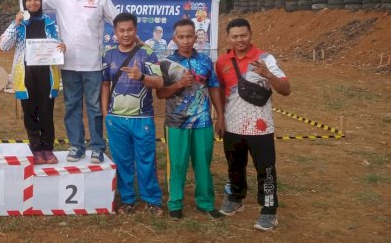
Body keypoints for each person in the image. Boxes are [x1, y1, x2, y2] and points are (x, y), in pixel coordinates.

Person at [22, 0, 118, 163]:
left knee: (94, 107)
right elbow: (33, 2)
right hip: (67, 64)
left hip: (93, 64)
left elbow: (118, 20)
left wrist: (133, 39)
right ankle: (76, 146)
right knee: (72, 106)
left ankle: (97, 147)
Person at [215, 17, 291, 231]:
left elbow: (286, 89)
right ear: (228, 38)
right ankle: (236, 198)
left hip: (261, 127)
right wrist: (219, 117)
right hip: (232, 125)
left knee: (265, 170)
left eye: (244, 35)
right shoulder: (222, 62)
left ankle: (269, 210)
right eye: (235, 36)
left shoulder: (265, 58)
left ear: (251, 35)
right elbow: (219, 90)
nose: (239, 40)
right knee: (235, 166)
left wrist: (267, 74)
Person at [157, 18, 225, 221]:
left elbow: (213, 87)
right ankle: (175, 203)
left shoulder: (205, 61)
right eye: (181, 37)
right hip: (176, 123)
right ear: (174, 39)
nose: (186, 40)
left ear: (196, 37)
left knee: (203, 163)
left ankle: (205, 203)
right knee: (177, 164)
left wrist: (220, 116)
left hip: (203, 122)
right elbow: (160, 94)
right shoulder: (166, 64)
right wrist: (179, 85)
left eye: (189, 36)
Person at [100, 13, 164, 216]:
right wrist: (105, 113)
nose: (126, 34)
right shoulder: (108, 54)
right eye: (121, 30)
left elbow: (159, 83)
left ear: (135, 30)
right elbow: (104, 84)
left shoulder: (147, 53)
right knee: (122, 160)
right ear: (115, 33)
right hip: (116, 119)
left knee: (146, 159)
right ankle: (127, 199)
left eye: (129, 30)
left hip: (142, 118)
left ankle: (152, 199)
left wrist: (141, 76)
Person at [0, 0, 65, 164]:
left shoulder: (49, 23)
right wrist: (15, 23)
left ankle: (48, 149)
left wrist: (62, 47)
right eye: (29, 0)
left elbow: (58, 44)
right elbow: (4, 45)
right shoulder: (19, 24)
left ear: (41, 2)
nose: (33, 2)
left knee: (46, 113)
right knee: (30, 113)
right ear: (24, 2)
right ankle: (36, 149)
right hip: (25, 74)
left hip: (46, 74)